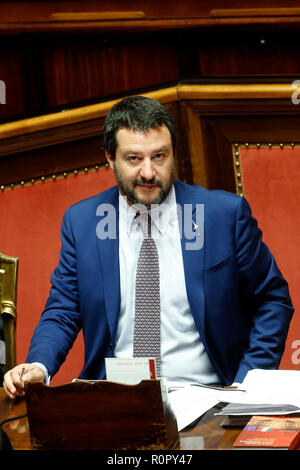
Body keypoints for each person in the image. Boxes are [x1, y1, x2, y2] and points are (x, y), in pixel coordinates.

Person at [4, 96, 294, 399]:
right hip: (117, 399)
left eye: (159, 156)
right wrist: (39, 365)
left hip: (209, 396)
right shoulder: (82, 222)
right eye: (133, 159)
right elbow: (64, 309)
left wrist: (246, 383)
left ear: (173, 155)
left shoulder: (222, 215)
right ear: (109, 157)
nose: (148, 172)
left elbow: (273, 300)